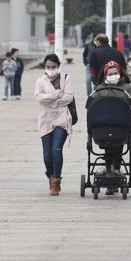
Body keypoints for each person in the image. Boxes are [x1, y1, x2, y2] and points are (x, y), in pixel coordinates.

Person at [87, 61, 131, 195]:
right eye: (110, 74)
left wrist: (129, 101)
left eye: (115, 73)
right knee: (108, 146)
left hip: (120, 126)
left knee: (117, 145)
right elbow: (89, 106)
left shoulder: (127, 88)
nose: (113, 75)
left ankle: (114, 171)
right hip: (102, 126)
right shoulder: (99, 89)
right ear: (105, 75)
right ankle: (110, 170)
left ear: (120, 73)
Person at [34, 54, 74, 196]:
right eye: (48, 67)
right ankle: (50, 174)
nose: (51, 69)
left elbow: (69, 97)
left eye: (54, 67)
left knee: (56, 150)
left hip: (62, 118)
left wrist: (52, 100)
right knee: (47, 156)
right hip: (46, 120)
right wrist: (56, 95)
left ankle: (56, 181)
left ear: (58, 65)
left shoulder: (65, 78)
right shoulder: (40, 81)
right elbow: (39, 98)